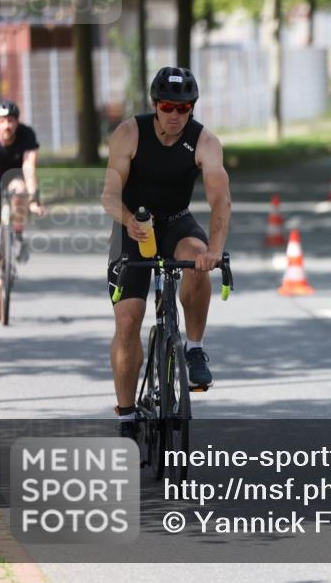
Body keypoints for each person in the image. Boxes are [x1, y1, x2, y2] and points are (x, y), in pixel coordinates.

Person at [101, 67, 232, 440]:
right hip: (134, 227)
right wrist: (128, 220)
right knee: (128, 322)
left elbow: (220, 200)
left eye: (184, 108)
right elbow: (109, 195)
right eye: (167, 107)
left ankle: (194, 347)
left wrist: (216, 252)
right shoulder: (129, 134)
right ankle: (126, 415)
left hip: (176, 222)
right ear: (155, 105)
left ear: (192, 108)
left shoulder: (205, 142)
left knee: (197, 257)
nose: (175, 115)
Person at [0, 100, 44, 309]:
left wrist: (34, 198)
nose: (7, 126)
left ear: (16, 122)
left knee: (19, 189)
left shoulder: (26, 134)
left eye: (11, 121)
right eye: (2, 121)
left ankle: (18, 235)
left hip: (16, 177)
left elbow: (29, 167)